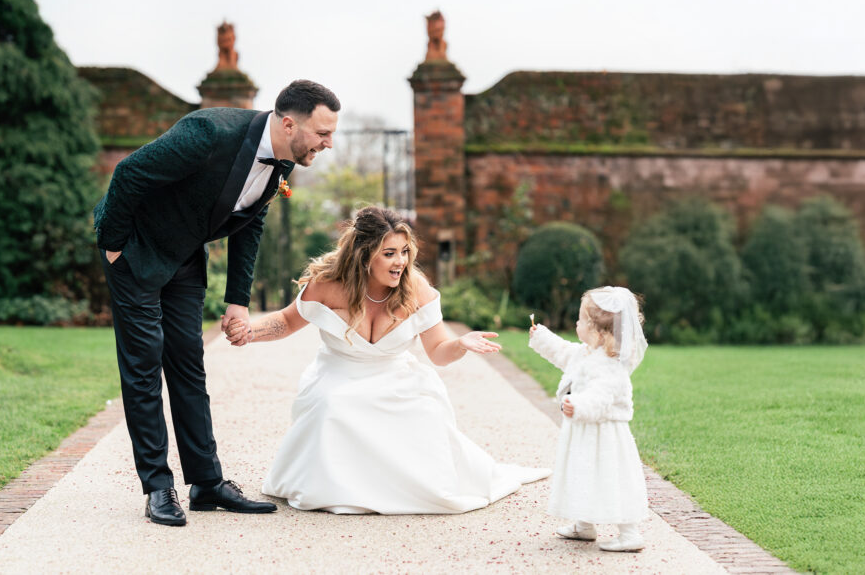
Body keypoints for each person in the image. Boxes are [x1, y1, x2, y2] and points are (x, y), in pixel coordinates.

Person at [94, 80, 341, 526]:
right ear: (289, 124)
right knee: (144, 366)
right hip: (136, 250)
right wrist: (113, 246)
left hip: (186, 257)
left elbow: (251, 223)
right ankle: (157, 486)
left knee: (189, 362)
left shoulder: (281, 161)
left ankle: (206, 483)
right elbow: (128, 173)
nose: (328, 143)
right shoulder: (209, 133)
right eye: (323, 133)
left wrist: (237, 301)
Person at [225, 206, 550, 514]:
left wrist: (460, 344)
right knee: (333, 404)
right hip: (339, 373)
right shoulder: (326, 285)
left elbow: (438, 352)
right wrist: (249, 332)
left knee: (425, 410)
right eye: (390, 253)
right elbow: (286, 321)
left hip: (394, 375)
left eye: (405, 252)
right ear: (365, 255)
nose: (401, 262)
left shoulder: (415, 288)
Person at [527, 287, 649, 551]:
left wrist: (578, 405)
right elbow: (563, 352)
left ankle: (630, 533)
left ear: (600, 332)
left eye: (582, 320)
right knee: (582, 474)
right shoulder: (586, 352)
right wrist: (542, 337)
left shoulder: (611, 366)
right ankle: (584, 525)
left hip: (605, 437)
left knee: (611, 478)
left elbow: (601, 397)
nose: (576, 323)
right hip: (585, 433)